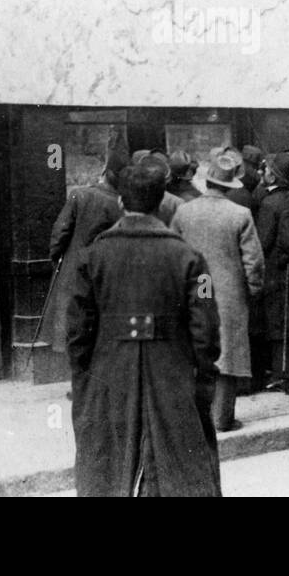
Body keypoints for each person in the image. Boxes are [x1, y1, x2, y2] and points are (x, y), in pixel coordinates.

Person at [68, 163, 222, 496]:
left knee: (108, 466)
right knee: (180, 468)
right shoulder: (191, 258)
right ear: (161, 202)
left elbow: (77, 330)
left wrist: (84, 379)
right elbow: (206, 328)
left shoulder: (91, 257)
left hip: (109, 370)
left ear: (121, 203)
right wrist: (203, 375)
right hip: (171, 371)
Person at [170, 154, 264, 432]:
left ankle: (191, 417)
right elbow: (253, 261)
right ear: (229, 185)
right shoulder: (240, 214)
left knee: (193, 350)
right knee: (227, 353)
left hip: (193, 288)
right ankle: (222, 418)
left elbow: (173, 251)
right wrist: (254, 289)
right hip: (229, 292)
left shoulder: (183, 211)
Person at [39, 148, 126, 354]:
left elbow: (60, 233)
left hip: (74, 270)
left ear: (105, 172)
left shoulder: (80, 195)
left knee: (74, 330)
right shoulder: (121, 204)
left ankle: (78, 382)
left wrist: (56, 258)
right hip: (106, 274)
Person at [255, 152, 289, 393]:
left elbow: (262, 241)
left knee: (276, 321)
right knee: (288, 318)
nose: (263, 172)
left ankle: (281, 374)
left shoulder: (269, 203)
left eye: (266, 169)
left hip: (273, 268)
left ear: (273, 173)